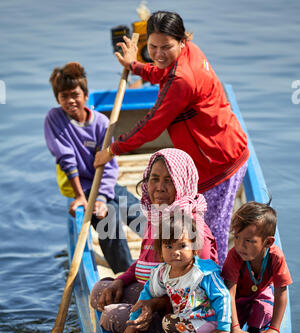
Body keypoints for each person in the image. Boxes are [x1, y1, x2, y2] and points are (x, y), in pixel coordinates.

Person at [94, 10, 249, 266]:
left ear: (182, 41)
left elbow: (151, 126)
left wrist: (113, 149)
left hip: (220, 163)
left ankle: (213, 291)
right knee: (190, 227)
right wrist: (136, 67)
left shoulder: (182, 81)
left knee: (208, 234)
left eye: (166, 47)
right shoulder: (188, 54)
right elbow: (161, 72)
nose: (158, 54)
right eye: (153, 47)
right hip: (215, 150)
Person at [90, 147, 218, 333]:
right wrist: (121, 281)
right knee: (101, 291)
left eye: (169, 180)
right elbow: (143, 263)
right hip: (149, 293)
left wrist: (152, 305)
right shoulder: (157, 217)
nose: (159, 187)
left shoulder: (193, 229)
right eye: (154, 179)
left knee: (112, 316)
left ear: (182, 183)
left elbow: (199, 291)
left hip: (178, 313)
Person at [44, 62, 145, 274]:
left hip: (104, 182)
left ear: (86, 95)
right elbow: (66, 158)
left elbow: (109, 166)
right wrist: (83, 198)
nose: (70, 101)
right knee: (109, 219)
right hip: (82, 186)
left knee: (136, 211)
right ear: (57, 99)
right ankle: (125, 274)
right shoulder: (55, 119)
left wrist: (101, 197)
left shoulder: (100, 122)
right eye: (64, 96)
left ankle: (163, 254)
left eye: (75, 94)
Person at [125, 212, 232, 333]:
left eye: (182, 246)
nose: (175, 252)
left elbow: (222, 297)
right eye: (169, 247)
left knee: (169, 322)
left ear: (194, 248)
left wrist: (224, 328)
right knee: (169, 323)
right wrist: (133, 323)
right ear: (160, 250)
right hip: (183, 322)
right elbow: (145, 298)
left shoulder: (203, 273)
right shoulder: (161, 273)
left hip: (208, 324)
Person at [221, 201, 292, 333]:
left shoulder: (275, 257)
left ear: (268, 242)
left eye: (249, 241)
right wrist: (235, 328)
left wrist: (274, 329)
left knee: (265, 307)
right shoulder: (234, 255)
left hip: (260, 292)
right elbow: (229, 295)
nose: (240, 245)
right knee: (228, 325)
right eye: (237, 237)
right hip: (237, 297)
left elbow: (281, 292)